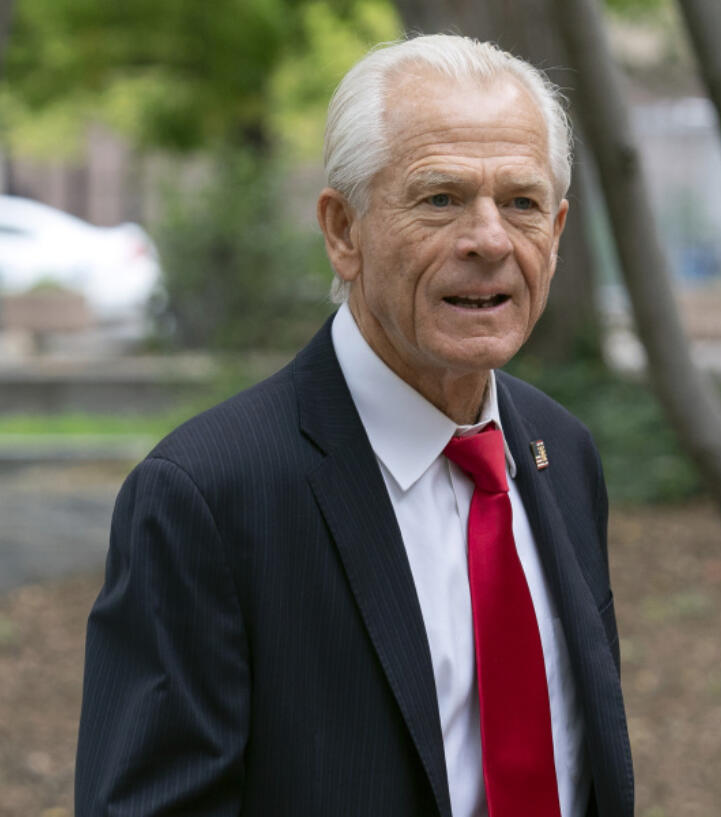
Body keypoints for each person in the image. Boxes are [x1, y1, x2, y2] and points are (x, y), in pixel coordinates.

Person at [75, 34, 633, 817]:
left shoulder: (561, 454)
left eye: (522, 202)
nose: (490, 240)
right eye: (440, 198)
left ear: (559, 227)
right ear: (344, 231)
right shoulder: (208, 495)